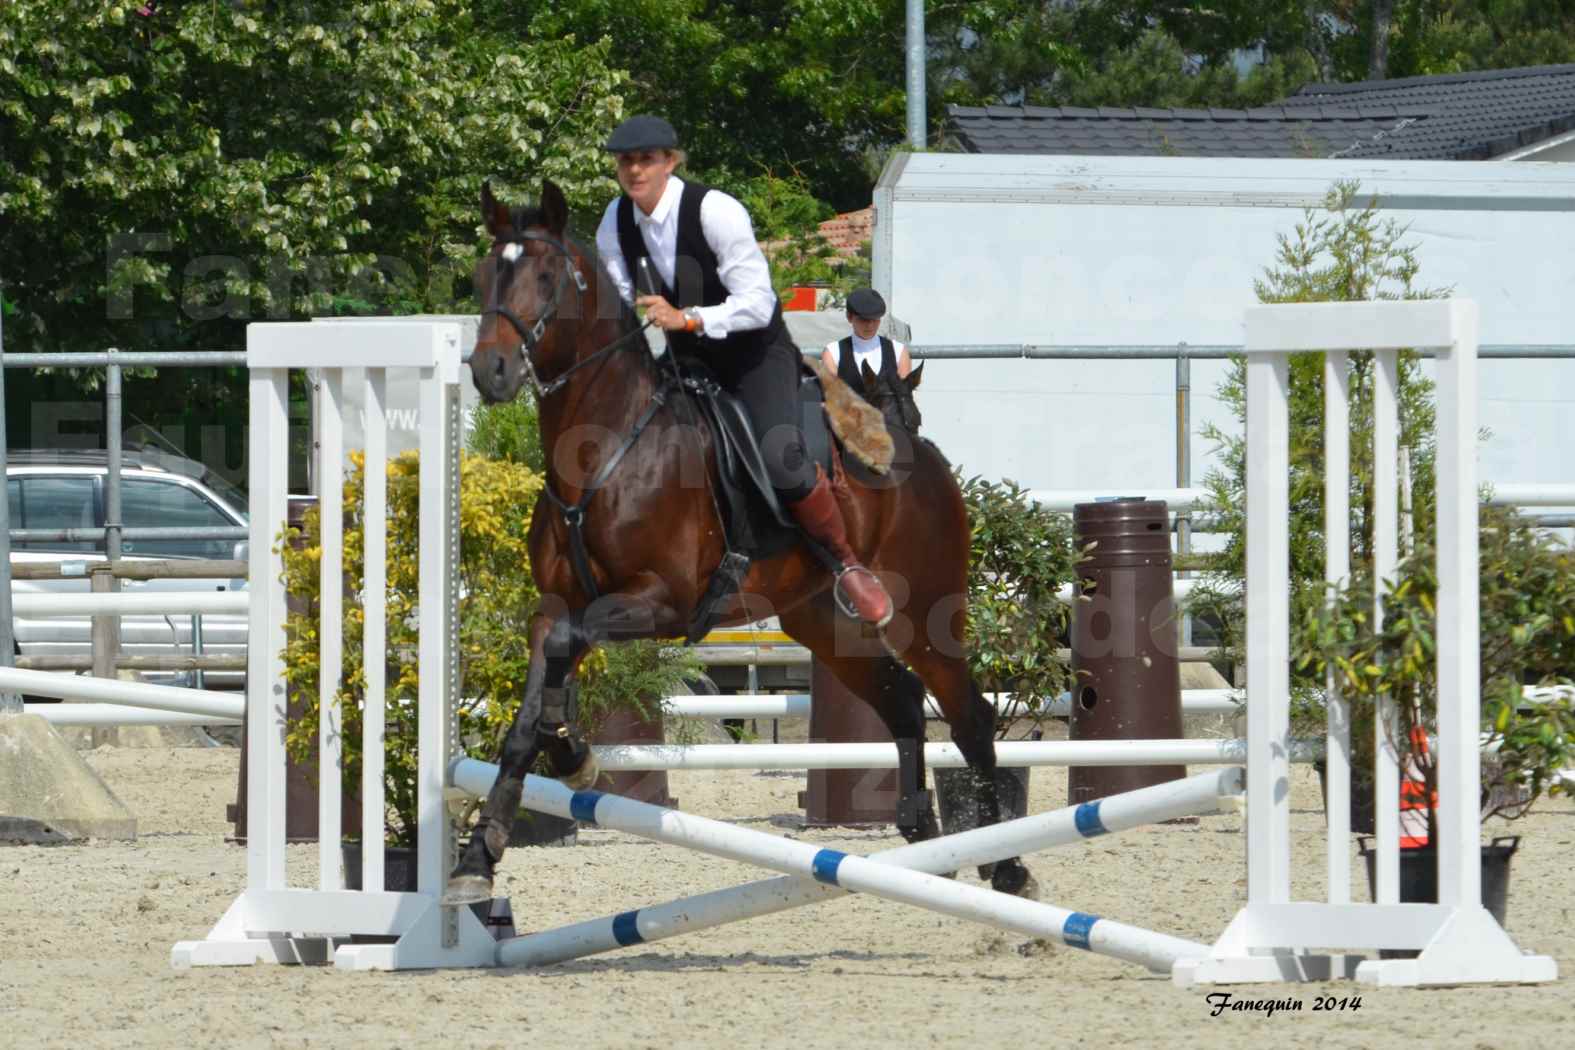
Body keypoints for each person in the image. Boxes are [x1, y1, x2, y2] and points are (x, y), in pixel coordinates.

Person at [592, 115, 892, 626]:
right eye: (626, 161)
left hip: (755, 356)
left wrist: (688, 317)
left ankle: (848, 565)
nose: (635, 169)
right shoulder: (614, 222)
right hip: (687, 360)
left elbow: (756, 302)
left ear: (671, 161)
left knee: (781, 458)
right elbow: (619, 307)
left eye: (646, 159)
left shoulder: (715, 211)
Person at [820, 287, 912, 391]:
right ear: (849, 317)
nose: (870, 325)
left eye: (875, 319)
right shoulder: (833, 352)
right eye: (863, 320)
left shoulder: (898, 351)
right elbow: (831, 396)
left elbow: (905, 397)